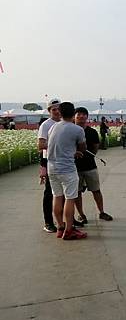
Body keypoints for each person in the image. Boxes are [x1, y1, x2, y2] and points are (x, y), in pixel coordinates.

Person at [47, 102, 87, 240]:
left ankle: (60, 227)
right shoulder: (77, 129)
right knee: (70, 198)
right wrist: (77, 152)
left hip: (51, 167)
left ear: (60, 112)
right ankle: (69, 230)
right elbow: (82, 147)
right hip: (67, 169)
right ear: (73, 113)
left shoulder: (53, 127)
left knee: (57, 197)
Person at [74, 107, 113, 223]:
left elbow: (95, 148)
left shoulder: (92, 132)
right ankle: (81, 214)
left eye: (83, 114)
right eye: (78, 114)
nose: (81, 116)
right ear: (74, 117)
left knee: (96, 190)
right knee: (77, 192)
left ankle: (101, 212)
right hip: (75, 167)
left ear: (87, 117)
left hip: (90, 166)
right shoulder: (71, 131)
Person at [37, 98, 61, 233]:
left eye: (58, 108)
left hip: (64, 161)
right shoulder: (46, 125)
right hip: (50, 161)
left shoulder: (65, 123)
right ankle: (48, 222)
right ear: (49, 111)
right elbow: (40, 145)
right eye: (54, 109)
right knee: (49, 193)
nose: (57, 111)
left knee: (65, 194)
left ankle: (67, 219)